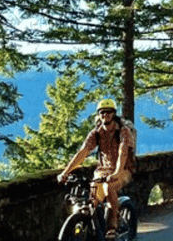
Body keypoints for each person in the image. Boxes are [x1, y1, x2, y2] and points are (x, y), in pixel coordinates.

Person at [57, 99, 133, 240]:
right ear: (98, 115)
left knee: (109, 188)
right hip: (102, 170)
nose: (105, 115)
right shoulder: (96, 133)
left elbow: (123, 151)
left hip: (123, 170)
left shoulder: (123, 131)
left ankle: (112, 227)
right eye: (102, 112)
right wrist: (65, 172)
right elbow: (83, 152)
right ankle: (94, 227)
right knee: (92, 199)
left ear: (114, 114)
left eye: (109, 112)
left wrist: (117, 172)